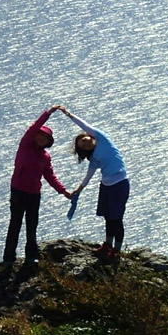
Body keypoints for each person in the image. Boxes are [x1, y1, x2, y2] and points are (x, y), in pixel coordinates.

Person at [57, 106, 129, 265]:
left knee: (117, 218)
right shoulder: (93, 159)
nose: (85, 142)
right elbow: (89, 175)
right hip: (106, 186)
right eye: (82, 145)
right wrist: (78, 190)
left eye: (84, 139)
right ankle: (108, 244)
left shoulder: (103, 139)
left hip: (120, 184)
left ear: (89, 136)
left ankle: (117, 250)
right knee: (108, 217)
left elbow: (83, 125)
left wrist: (68, 114)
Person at [2, 106, 72, 265]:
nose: (41, 138)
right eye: (40, 135)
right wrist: (49, 112)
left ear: (48, 142)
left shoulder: (45, 157)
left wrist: (63, 190)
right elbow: (34, 127)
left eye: (45, 138)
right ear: (34, 136)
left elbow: (49, 176)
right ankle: (8, 257)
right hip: (18, 191)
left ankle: (31, 256)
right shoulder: (25, 145)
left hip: (34, 194)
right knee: (15, 223)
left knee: (32, 225)